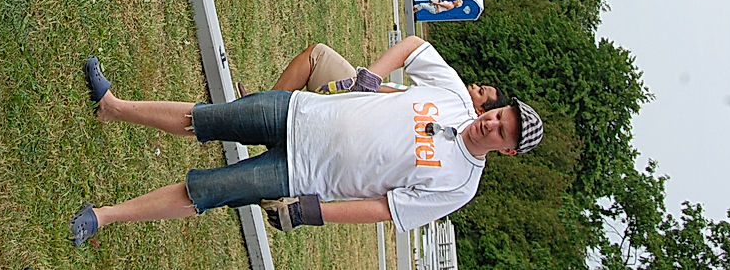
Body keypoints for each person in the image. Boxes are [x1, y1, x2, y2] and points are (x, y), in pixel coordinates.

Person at [69, 36, 543, 246]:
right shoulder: (455, 95)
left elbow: (386, 209)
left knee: (205, 192)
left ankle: (103, 216)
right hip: (299, 111)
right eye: (498, 115)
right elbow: (414, 47)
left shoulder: (459, 186)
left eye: (502, 131)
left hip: (300, 173)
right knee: (204, 119)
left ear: (506, 150)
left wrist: (310, 212)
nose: (491, 123)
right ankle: (114, 106)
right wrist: (371, 77)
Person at [261, 43, 508, 115]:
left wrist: (363, 86)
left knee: (317, 55)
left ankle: (263, 109)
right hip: (365, 96)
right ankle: (264, 108)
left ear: (480, 110)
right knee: (316, 56)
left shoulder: (451, 105)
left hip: (362, 102)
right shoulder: (451, 100)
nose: (474, 86)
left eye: (480, 92)